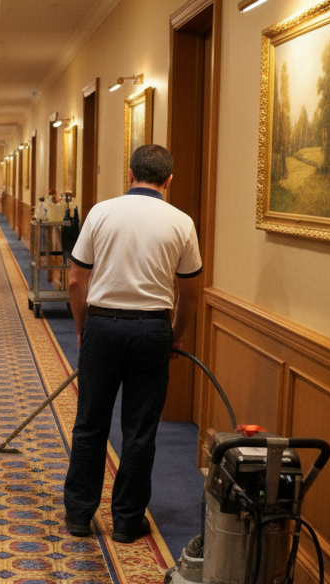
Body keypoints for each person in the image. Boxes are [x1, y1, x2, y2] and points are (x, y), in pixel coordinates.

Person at [62, 144, 203, 543]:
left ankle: (78, 515)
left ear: (130, 174)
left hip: (103, 327)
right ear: (169, 181)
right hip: (151, 331)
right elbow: (191, 292)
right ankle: (126, 520)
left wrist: (82, 328)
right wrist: (175, 336)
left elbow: (76, 279)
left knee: (90, 423)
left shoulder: (101, 213)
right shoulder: (181, 222)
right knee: (140, 428)